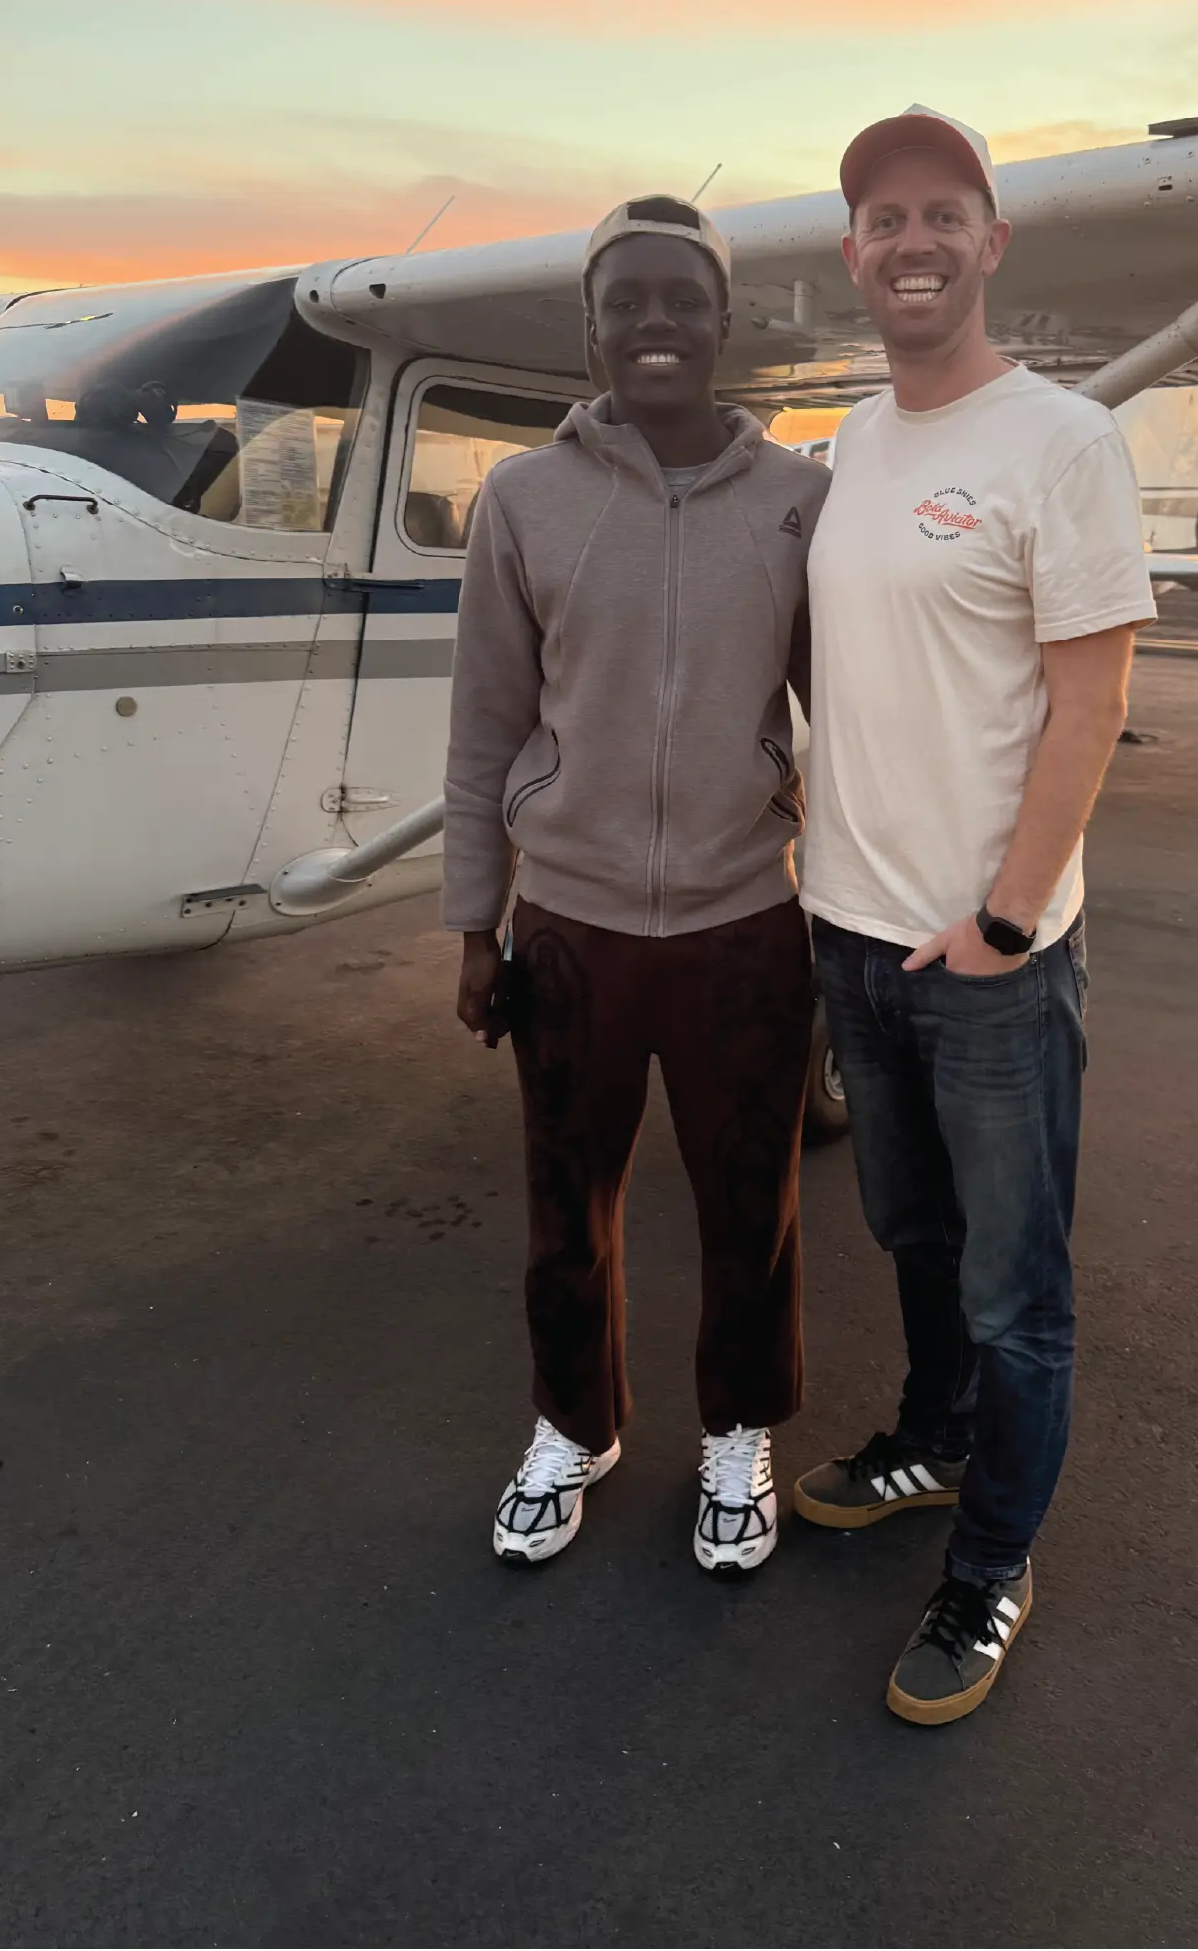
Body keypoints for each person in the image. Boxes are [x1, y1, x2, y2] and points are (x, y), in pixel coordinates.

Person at [792, 108, 1156, 1721]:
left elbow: (1092, 703)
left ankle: (993, 1562)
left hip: (990, 962)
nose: (913, 241)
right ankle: (933, 1444)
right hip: (852, 937)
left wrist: (1007, 922)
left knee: (1020, 1293)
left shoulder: (1061, 444)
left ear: (991, 243)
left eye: (946, 213)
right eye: (885, 217)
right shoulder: (855, 447)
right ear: (853, 253)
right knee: (914, 1238)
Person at [443, 195, 829, 1575]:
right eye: (629, 302)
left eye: (684, 300)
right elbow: (488, 723)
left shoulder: (800, 501)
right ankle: (575, 1424)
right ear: (591, 326)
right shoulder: (524, 500)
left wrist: (840, 906)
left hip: (744, 922)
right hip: (571, 930)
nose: (656, 325)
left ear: (725, 324)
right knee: (567, 1207)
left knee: (752, 1204)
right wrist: (475, 923)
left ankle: (737, 1428)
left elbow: (836, 713)